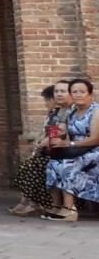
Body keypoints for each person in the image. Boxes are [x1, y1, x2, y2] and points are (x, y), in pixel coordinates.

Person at [11, 81, 71, 217]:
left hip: (63, 151)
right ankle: (29, 201)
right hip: (53, 150)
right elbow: (49, 133)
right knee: (29, 166)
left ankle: (35, 203)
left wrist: (41, 144)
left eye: (62, 92)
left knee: (34, 165)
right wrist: (40, 143)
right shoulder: (57, 113)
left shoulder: (69, 112)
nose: (59, 95)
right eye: (57, 92)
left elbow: (57, 133)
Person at [43, 77, 97, 222]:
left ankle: (70, 209)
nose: (78, 95)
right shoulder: (67, 112)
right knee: (52, 164)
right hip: (75, 150)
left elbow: (95, 139)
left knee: (67, 165)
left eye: (82, 92)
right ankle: (56, 206)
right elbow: (60, 132)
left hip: (93, 149)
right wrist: (47, 142)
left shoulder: (95, 111)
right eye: (75, 92)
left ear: (90, 94)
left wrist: (68, 144)